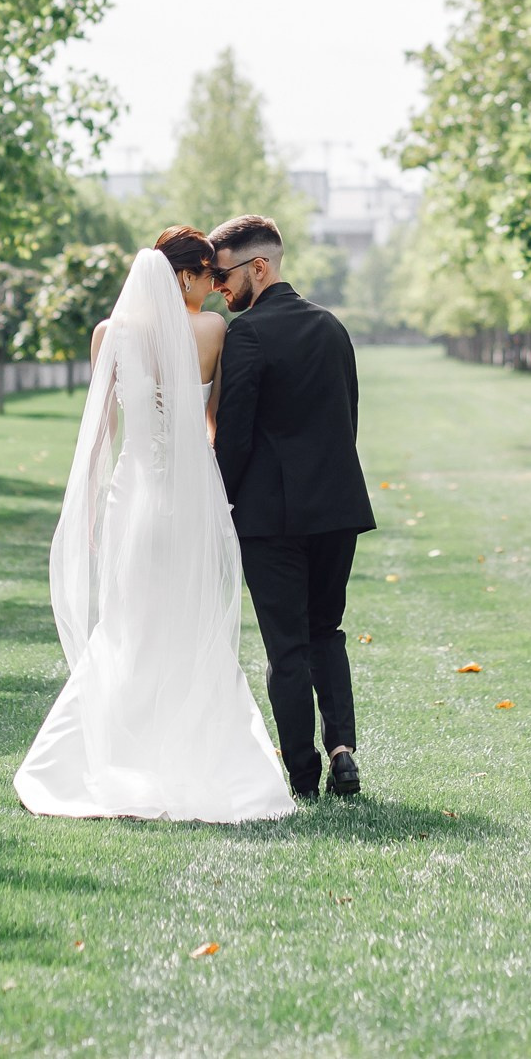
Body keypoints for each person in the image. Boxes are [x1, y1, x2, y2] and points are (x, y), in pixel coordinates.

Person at [14, 228, 294, 822]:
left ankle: (105, 760)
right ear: (187, 277)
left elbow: (100, 436)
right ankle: (201, 759)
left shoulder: (108, 336)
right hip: (189, 499)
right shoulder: (214, 332)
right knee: (190, 627)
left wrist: (88, 507)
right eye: (207, 280)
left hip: (131, 497)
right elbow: (213, 427)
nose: (215, 292)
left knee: (128, 625)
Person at [208, 214, 375, 799]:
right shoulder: (333, 327)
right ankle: (343, 751)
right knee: (326, 631)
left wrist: (217, 502)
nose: (217, 289)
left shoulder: (246, 335)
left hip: (271, 518)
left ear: (260, 267)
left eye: (223, 275)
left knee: (287, 647)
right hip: (338, 508)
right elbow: (347, 419)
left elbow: (235, 435)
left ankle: (303, 777)